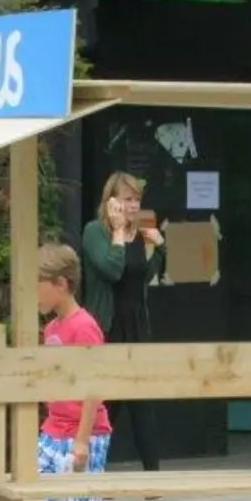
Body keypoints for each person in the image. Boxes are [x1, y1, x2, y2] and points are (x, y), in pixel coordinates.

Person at [36, 242, 116, 501]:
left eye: (37, 286)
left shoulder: (83, 327)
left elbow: (93, 384)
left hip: (84, 434)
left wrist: (82, 442)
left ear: (61, 284)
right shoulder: (51, 329)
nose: (33, 296)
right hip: (53, 431)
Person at [81, 171, 166, 474]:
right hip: (108, 324)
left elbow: (145, 274)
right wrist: (117, 233)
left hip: (136, 323)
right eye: (128, 199)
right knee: (107, 402)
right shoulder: (95, 232)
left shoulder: (139, 232)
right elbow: (112, 270)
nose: (134, 206)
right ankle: (91, 469)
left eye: (137, 200)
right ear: (111, 201)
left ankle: (152, 475)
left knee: (143, 401)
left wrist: (159, 246)